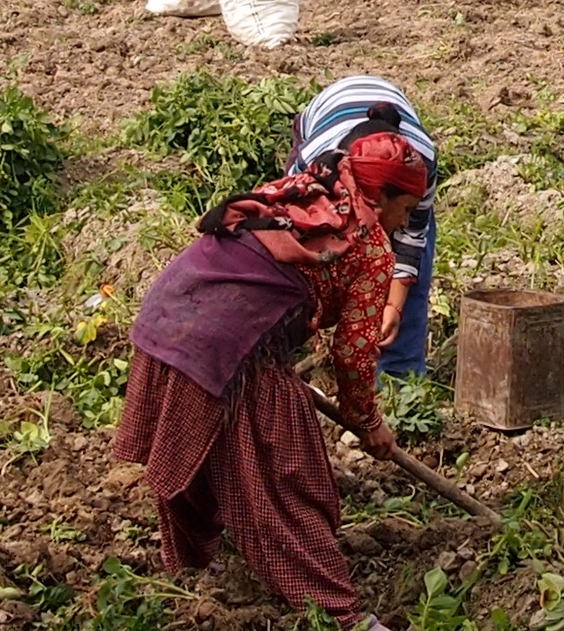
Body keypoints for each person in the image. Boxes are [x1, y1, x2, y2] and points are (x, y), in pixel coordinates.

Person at [113, 130, 431, 629]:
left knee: (196, 455)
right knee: (286, 483)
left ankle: (196, 567)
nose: (405, 221)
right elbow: (351, 356)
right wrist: (368, 422)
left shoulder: (309, 186)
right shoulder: (369, 248)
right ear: (383, 195)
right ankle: (341, 616)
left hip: (170, 313)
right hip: (230, 342)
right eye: (405, 207)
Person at [287, 78, 437, 378]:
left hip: (388, 121)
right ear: (374, 199)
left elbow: (412, 238)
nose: (405, 220)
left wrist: (393, 307)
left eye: (409, 208)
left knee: (410, 257)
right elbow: (294, 238)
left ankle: (398, 374)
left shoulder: (421, 163)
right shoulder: (313, 168)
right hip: (324, 119)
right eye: (403, 211)